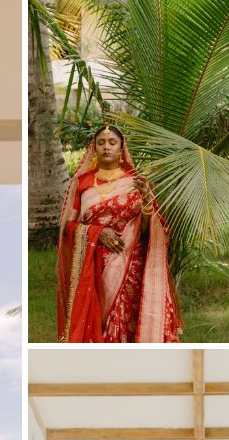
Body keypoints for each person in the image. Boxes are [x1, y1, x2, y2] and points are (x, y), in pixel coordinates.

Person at [56, 123, 182, 343]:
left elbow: (148, 232)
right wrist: (98, 232)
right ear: (94, 148)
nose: (107, 147)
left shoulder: (136, 182)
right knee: (101, 326)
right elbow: (67, 227)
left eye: (112, 143)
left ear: (122, 148)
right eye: (101, 143)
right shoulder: (82, 183)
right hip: (95, 266)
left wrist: (147, 201)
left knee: (131, 321)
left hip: (133, 265)